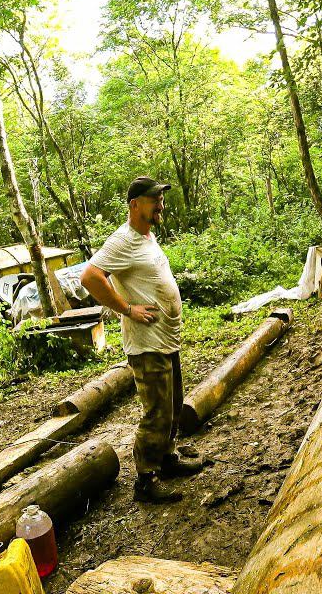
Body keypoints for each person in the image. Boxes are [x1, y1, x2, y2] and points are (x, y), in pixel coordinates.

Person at [80, 176, 204, 504]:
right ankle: (145, 481)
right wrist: (127, 309)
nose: (161, 204)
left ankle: (167, 459)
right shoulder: (122, 239)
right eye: (154, 200)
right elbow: (90, 277)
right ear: (135, 205)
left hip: (165, 339)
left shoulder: (147, 236)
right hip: (146, 344)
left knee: (173, 406)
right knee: (156, 412)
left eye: (161, 198)